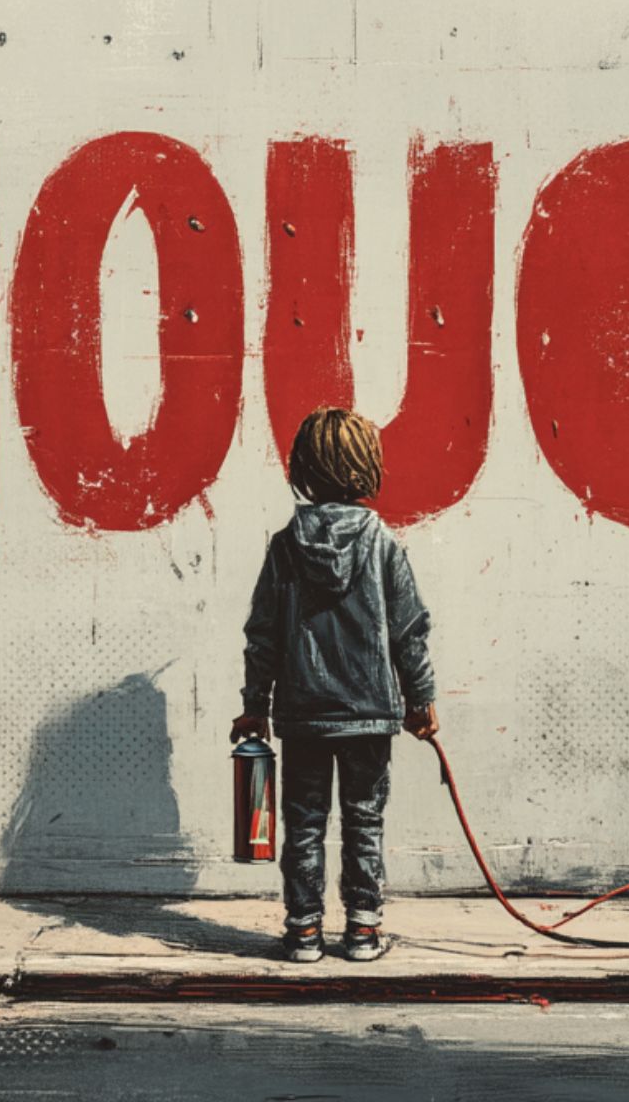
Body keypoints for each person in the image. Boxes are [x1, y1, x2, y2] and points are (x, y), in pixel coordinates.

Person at [230, 407, 438, 963]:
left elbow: (264, 635)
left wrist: (255, 705)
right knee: (363, 821)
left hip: (303, 714)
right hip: (370, 712)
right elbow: (408, 632)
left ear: (303, 468)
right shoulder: (383, 545)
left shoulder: (284, 546)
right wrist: (420, 699)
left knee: (304, 823)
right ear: (365, 468)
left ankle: (303, 932)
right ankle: (363, 931)